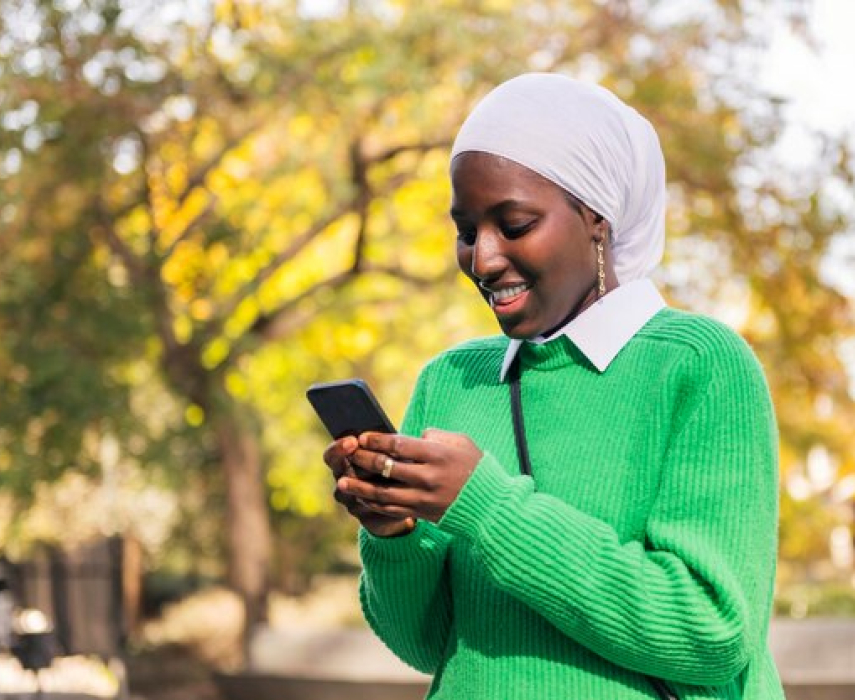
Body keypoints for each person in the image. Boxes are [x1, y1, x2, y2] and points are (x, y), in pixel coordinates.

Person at [325, 73, 783, 700]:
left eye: (513, 224)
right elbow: (425, 644)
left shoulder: (700, 366)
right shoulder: (452, 381)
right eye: (466, 230)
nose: (482, 259)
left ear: (596, 214)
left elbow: (710, 631)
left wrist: (484, 506)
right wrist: (392, 534)